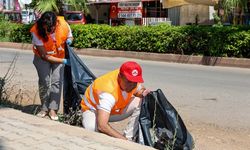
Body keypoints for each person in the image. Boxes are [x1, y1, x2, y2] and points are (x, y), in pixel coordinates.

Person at [81, 61, 150, 140]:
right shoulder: (107, 92)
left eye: (135, 82)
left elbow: (139, 89)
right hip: (93, 110)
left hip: (112, 110)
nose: (132, 86)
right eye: (129, 82)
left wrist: (142, 92)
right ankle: (125, 140)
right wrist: (123, 140)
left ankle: (129, 137)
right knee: (91, 129)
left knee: (141, 102)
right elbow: (102, 126)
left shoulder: (128, 76)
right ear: (120, 77)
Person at [30, 11, 73, 121]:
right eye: (46, 28)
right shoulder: (36, 30)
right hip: (42, 57)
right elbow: (45, 56)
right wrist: (63, 61)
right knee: (44, 81)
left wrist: (69, 40)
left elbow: (70, 36)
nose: (49, 31)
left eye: (51, 28)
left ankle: (53, 109)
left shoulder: (64, 25)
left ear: (56, 24)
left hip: (59, 55)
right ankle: (44, 108)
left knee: (57, 81)